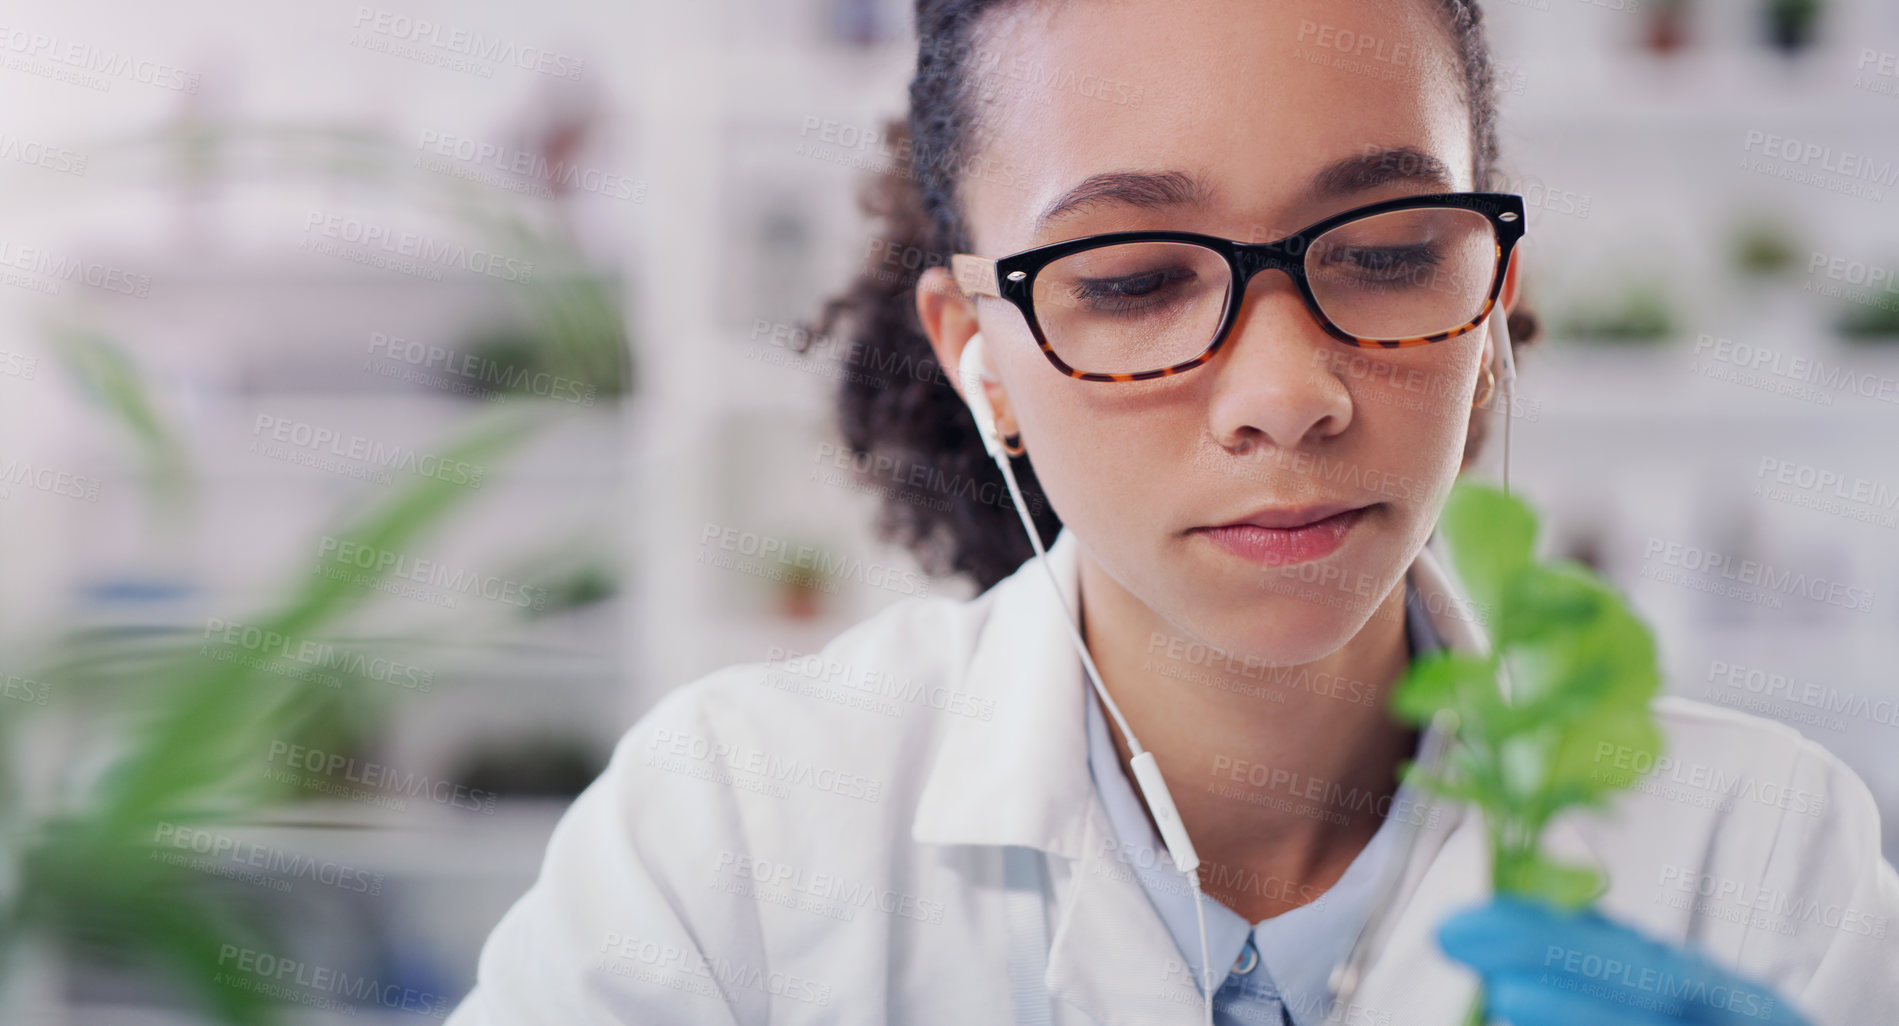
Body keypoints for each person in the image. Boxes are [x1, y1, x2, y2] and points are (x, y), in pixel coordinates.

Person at [447, 1, 1899, 1023]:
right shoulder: (728, 848)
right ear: (978, 356)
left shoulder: (1759, 856)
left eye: (1390, 251)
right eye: (1134, 279)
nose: (1287, 390)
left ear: (1494, 304)